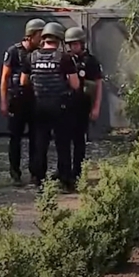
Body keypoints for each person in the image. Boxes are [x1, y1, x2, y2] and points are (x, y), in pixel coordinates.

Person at [20, 22, 80, 190]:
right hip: (60, 107)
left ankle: (39, 180)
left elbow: (23, 82)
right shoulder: (65, 58)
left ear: (44, 38)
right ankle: (66, 180)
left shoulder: (30, 57)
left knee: (40, 143)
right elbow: (75, 84)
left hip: (38, 106)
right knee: (63, 144)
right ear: (59, 39)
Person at [0, 18, 45, 186]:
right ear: (31, 35)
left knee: (36, 138)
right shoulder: (13, 52)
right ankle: (15, 173)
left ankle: (35, 173)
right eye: (40, 35)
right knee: (15, 138)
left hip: (34, 101)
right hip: (16, 101)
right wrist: (3, 102)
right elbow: (4, 78)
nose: (43, 39)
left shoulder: (39, 53)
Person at [59, 26, 102, 192]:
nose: (71, 47)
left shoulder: (90, 61)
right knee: (63, 143)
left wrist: (96, 106)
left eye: (74, 44)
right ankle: (64, 174)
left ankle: (77, 174)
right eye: (69, 44)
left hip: (82, 107)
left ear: (81, 43)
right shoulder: (65, 60)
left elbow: (98, 85)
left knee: (79, 143)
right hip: (65, 107)